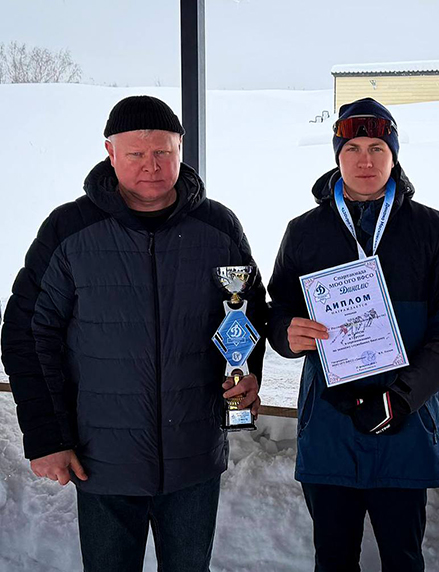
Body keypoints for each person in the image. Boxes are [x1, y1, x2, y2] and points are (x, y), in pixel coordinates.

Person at [0, 95, 266, 572]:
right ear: (110, 152)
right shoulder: (69, 229)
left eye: (162, 151)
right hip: (102, 459)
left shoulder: (218, 226)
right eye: (136, 153)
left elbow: (246, 313)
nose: (151, 165)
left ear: (181, 148)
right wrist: (46, 436)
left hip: (193, 455)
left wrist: (249, 375)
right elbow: (27, 333)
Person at [267, 97, 439, 571]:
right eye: (353, 149)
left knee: (403, 559)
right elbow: (278, 309)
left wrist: (401, 398)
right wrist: (285, 333)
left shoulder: (434, 231)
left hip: (405, 427)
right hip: (329, 425)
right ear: (337, 156)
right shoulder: (303, 232)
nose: (365, 160)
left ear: (394, 156)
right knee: (332, 559)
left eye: (377, 148)